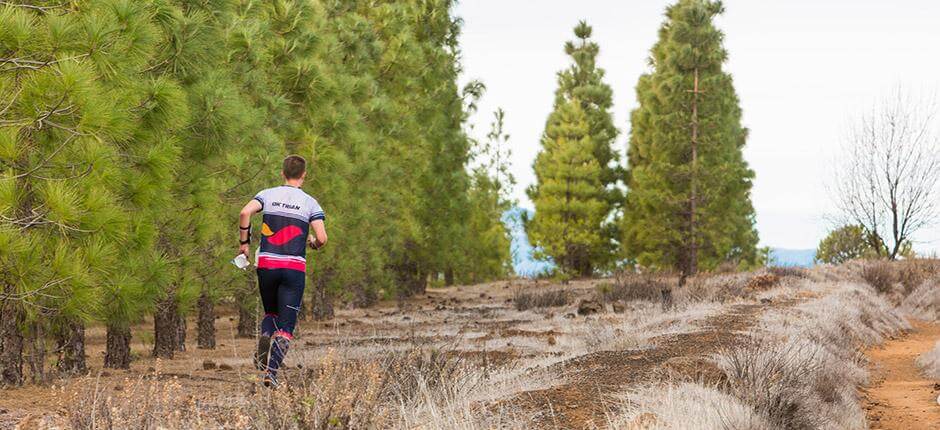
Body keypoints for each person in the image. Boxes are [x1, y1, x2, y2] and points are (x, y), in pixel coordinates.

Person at [237, 155, 327, 388]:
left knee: (271, 313)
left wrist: (244, 245)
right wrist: (312, 244)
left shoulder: (267, 194)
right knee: (286, 328)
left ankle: (266, 335)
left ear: (282, 172)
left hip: (266, 264)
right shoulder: (310, 203)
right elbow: (322, 238)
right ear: (304, 175)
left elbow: (245, 213)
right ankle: (271, 373)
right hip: (293, 268)